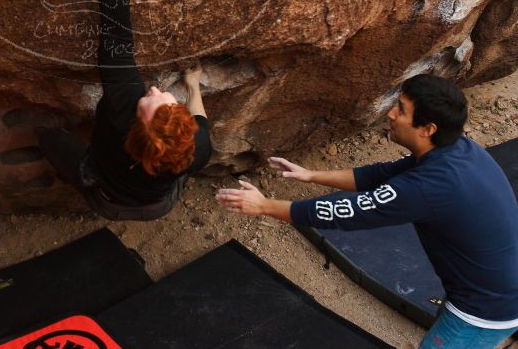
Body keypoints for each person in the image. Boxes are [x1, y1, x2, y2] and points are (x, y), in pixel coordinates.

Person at [215, 74, 518, 348]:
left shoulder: (429, 186)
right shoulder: (455, 150)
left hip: (486, 310)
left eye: (401, 109)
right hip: (491, 286)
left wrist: (265, 206)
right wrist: (310, 175)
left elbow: (344, 212)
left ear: (427, 129)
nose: (391, 113)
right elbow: (377, 176)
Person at [37, 0, 212, 220]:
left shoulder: (122, 107)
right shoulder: (197, 150)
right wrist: (194, 88)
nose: (156, 90)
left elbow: (115, 24)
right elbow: (199, 121)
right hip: (155, 206)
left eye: (150, 103)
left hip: (106, 196)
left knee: (48, 137)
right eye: (172, 103)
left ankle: (45, 138)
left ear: (134, 128)